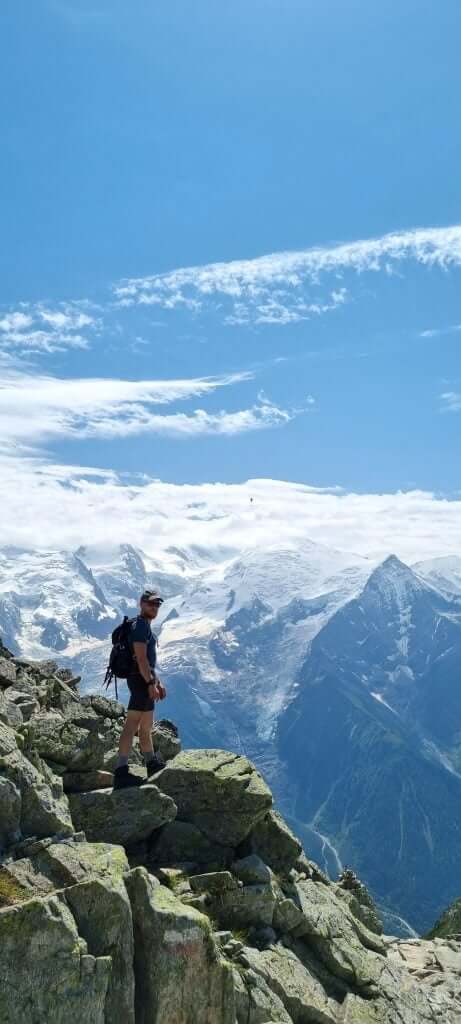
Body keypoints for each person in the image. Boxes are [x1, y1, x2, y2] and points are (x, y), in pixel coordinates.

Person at [113, 588, 167, 789]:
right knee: (132, 724)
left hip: (144, 679)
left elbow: (147, 662)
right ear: (141, 604)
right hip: (140, 681)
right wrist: (150, 683)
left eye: (157, 604)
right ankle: (121, 771)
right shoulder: (140, 627)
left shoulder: (143, 625)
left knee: (145, 726)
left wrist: (157, 681)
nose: (154, 607)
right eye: (151, 603)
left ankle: (151, 762)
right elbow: (141, 658)